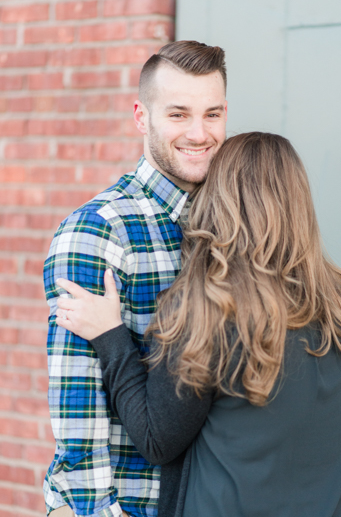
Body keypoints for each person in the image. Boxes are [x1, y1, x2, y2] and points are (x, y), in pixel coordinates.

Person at [52, 132, 341, 517]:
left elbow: (156, 439)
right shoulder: (327, 301)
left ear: (222, 199)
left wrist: (111, 338)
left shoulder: (211, 307)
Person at [42, 40, 228, 517]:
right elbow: (76, 409)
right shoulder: (99, 231)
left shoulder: (229, 226)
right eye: (179, 114)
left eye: (213, 114)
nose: (199, 133)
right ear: (142, 117)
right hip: (125, 505)